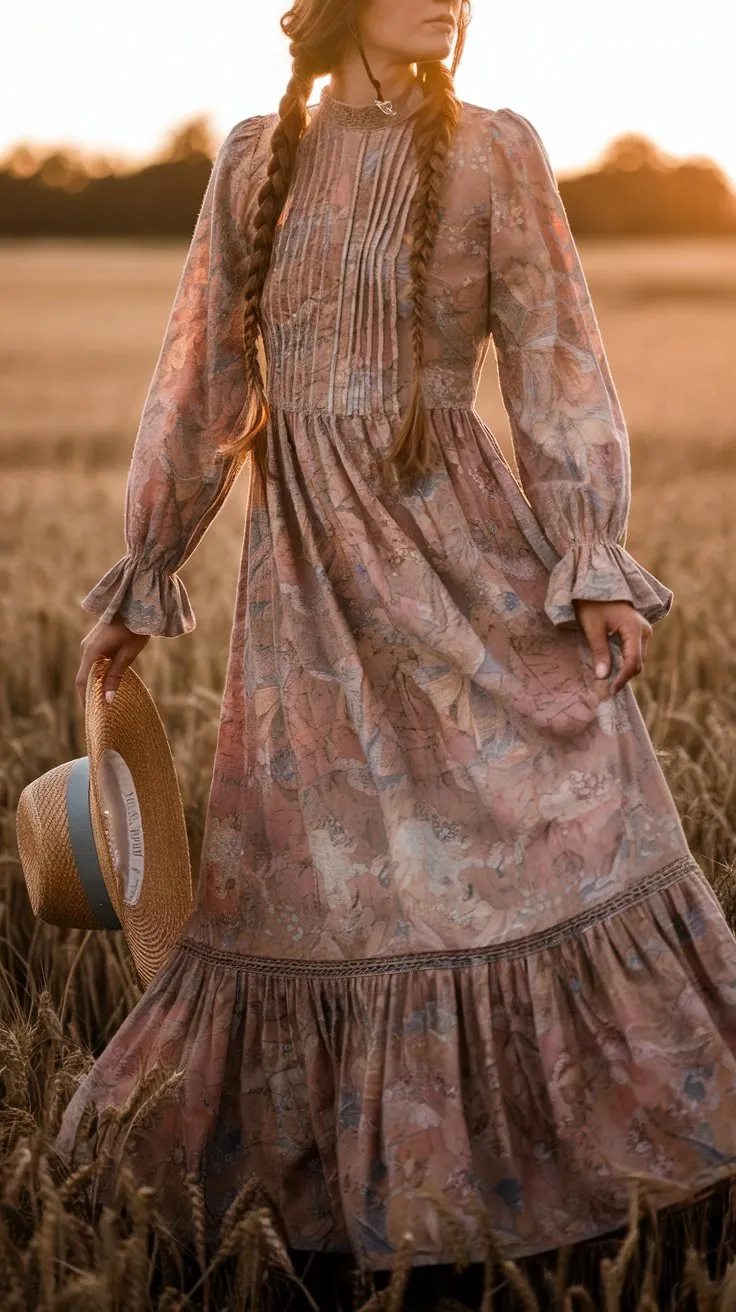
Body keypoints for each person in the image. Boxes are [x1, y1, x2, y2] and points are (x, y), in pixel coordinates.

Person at [58, 0, 736, 1292]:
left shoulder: (500, 153)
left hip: (465, 574)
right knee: (323, 906)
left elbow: (556, 364)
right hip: (306, 612)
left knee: (554, 834)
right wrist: (144, 568)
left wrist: (590, 553)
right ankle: (341, 1233)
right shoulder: (256, 163)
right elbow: (203, 381)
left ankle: (552, 1211)